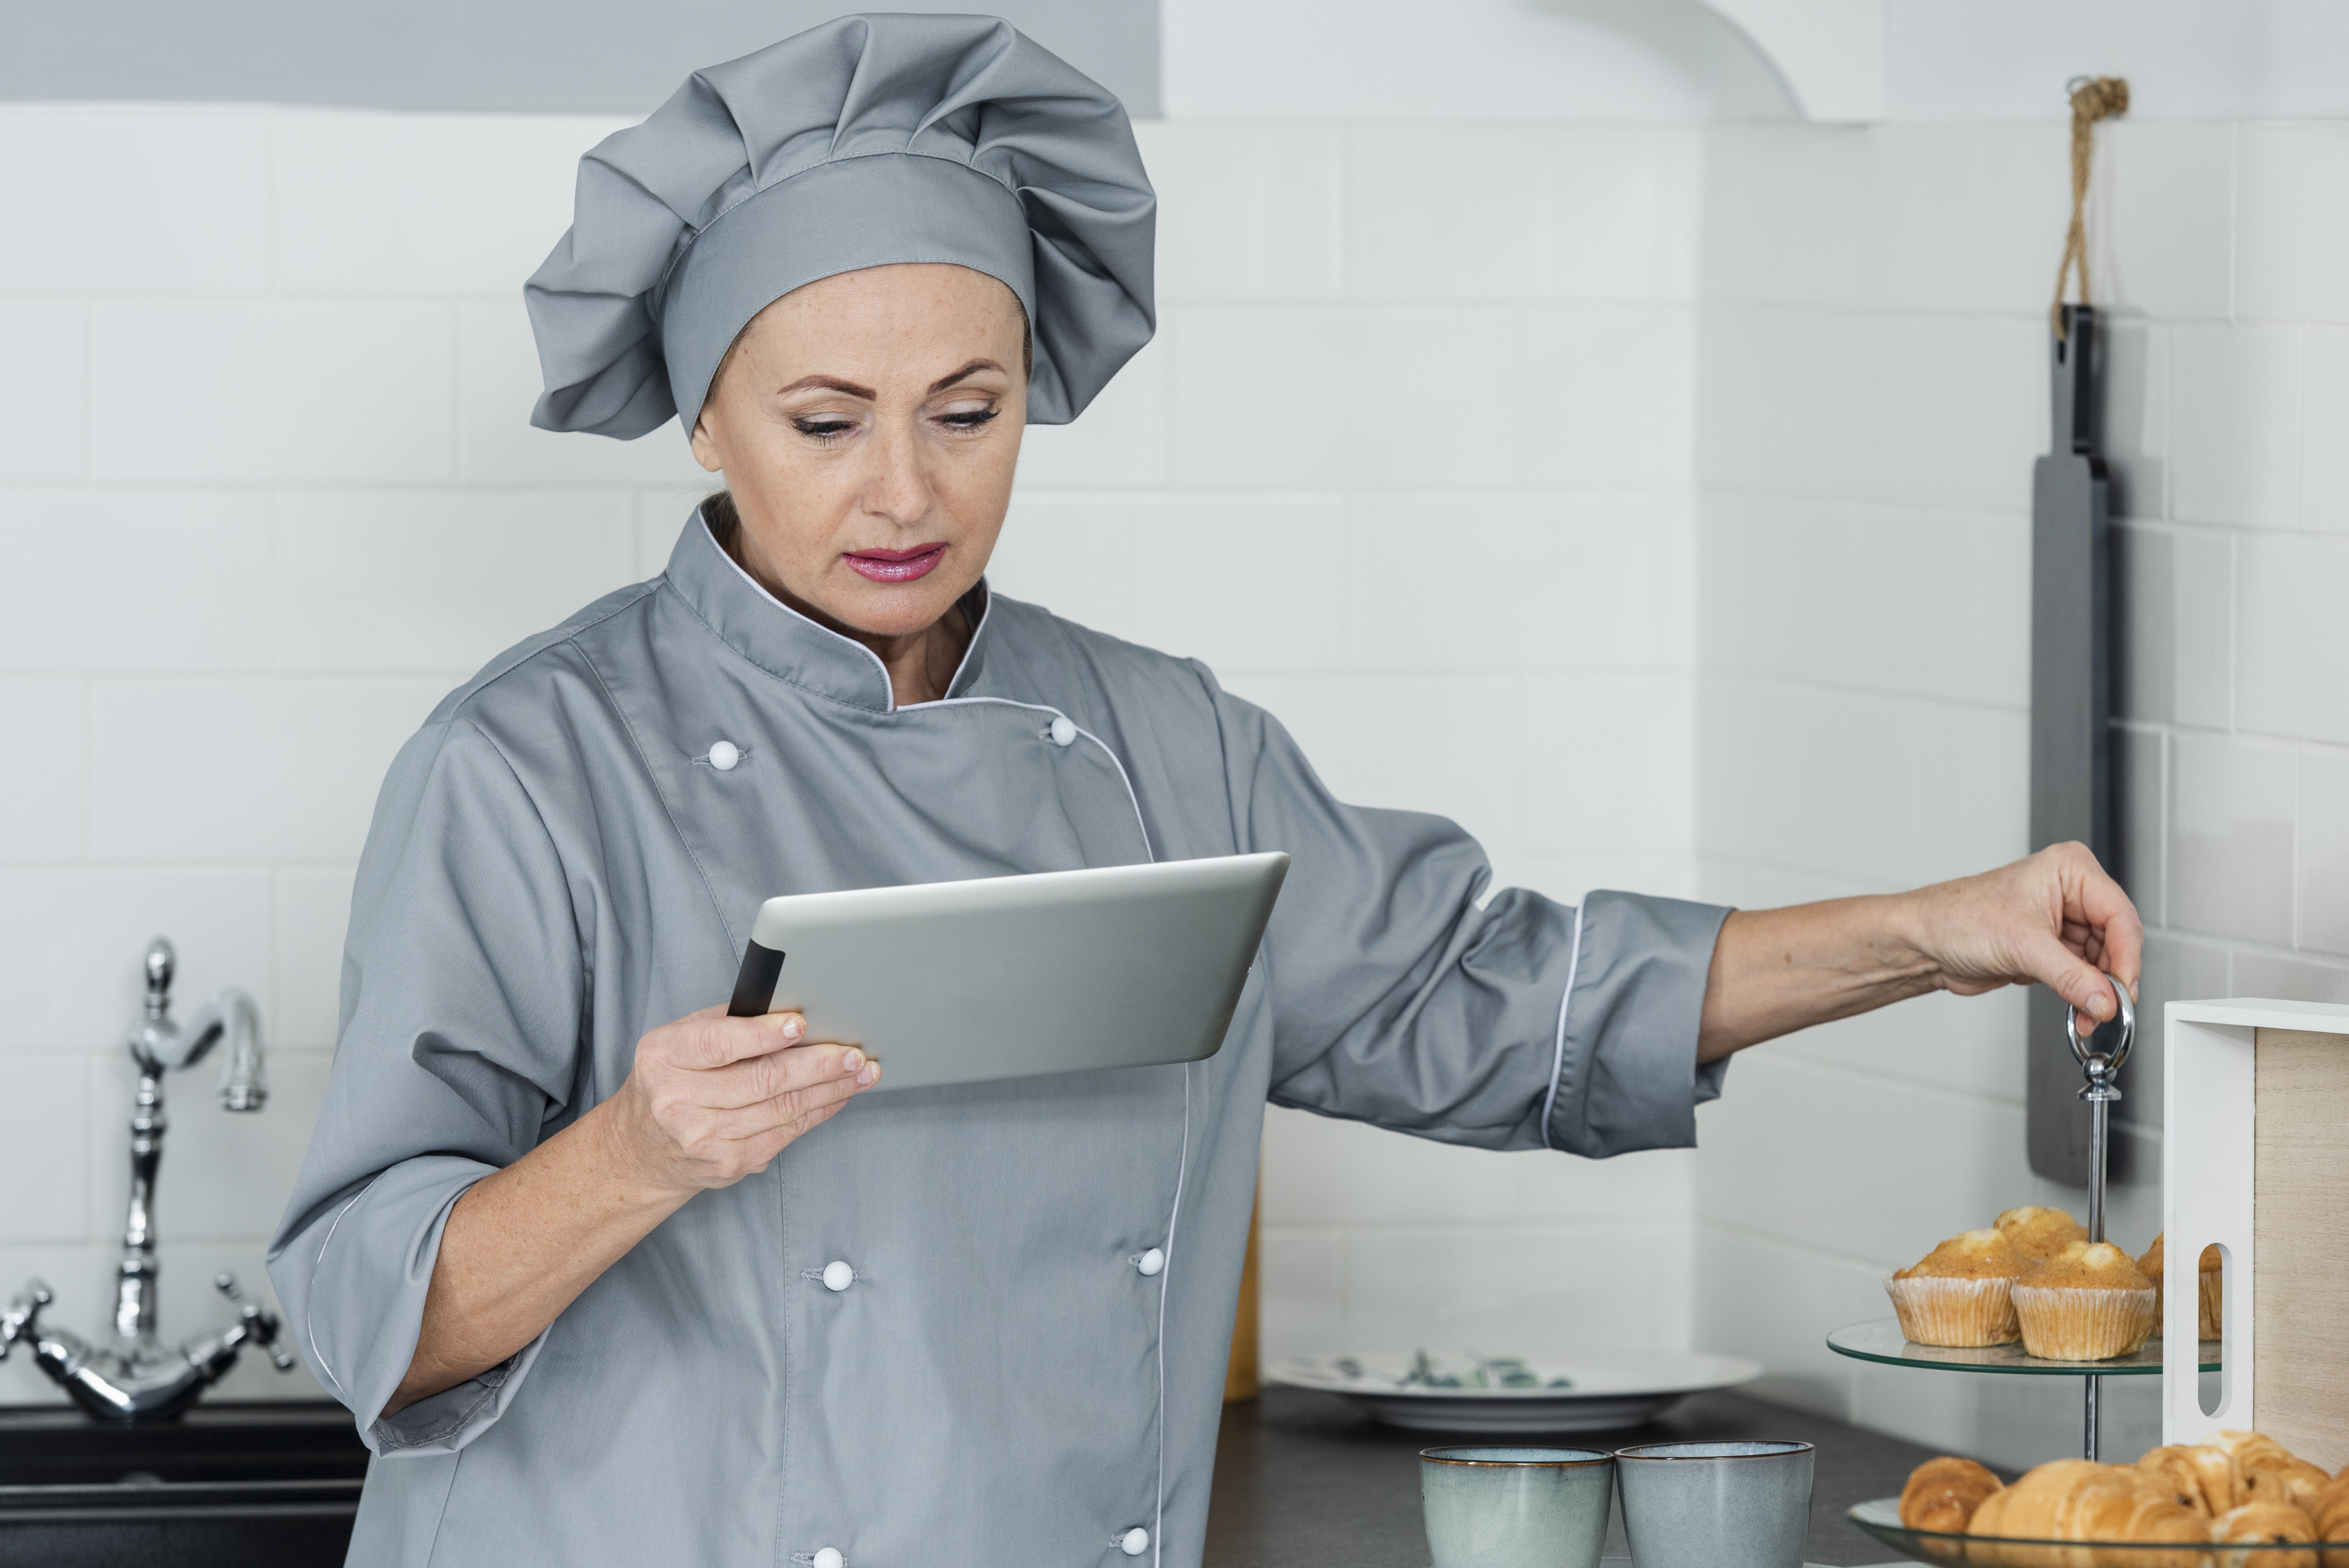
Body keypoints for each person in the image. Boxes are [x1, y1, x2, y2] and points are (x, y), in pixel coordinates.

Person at [268, 15, 2143, 1567]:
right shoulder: (527, 770)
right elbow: (372, 1305)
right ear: (703, 416)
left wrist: (1932, 933)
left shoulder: (1165, 746)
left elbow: (1490, 1004)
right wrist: (635, 1155)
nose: (905, 493)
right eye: (825, 422)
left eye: (971, 409)